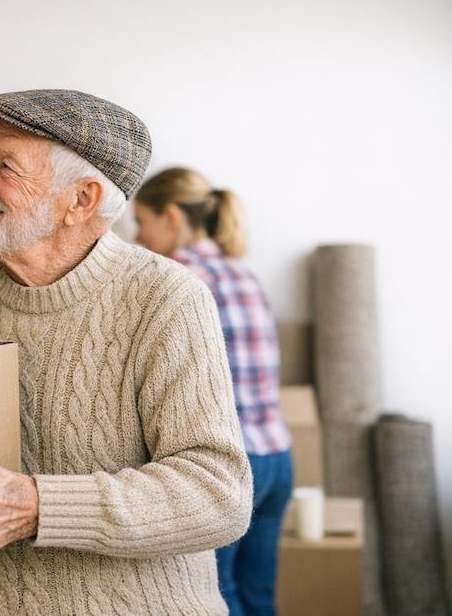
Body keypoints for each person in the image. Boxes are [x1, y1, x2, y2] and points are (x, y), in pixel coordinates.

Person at [0, 89, 252, 614]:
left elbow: (218, 495)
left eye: (7, 166)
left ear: (80, 200)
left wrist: (41, 506)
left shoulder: (165, 298)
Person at [134, 166, 293, 616]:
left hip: (234, 463)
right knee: (257, 594)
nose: (140, 238)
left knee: (217, 593)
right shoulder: (242, 272)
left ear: (170, 216)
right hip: (278, 456)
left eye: (142, 223)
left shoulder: (174, 276)